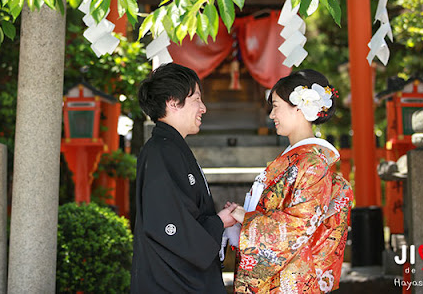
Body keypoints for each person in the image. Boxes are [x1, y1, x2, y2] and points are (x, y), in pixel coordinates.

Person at [232, 69, 353, 293]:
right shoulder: (298, 157)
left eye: (276, 106)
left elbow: (300, 223)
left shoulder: (312, 162)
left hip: (292, 279)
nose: (271, 115)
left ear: (299, 107)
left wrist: (246, 219)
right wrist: (243, 215)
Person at [131, 63, 238, 293]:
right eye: (196, 99)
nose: (203, 108)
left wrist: (218, 221)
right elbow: (170, 226)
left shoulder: (170, 148)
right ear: (172, 102)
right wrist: (219, 222)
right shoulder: (162, 151)